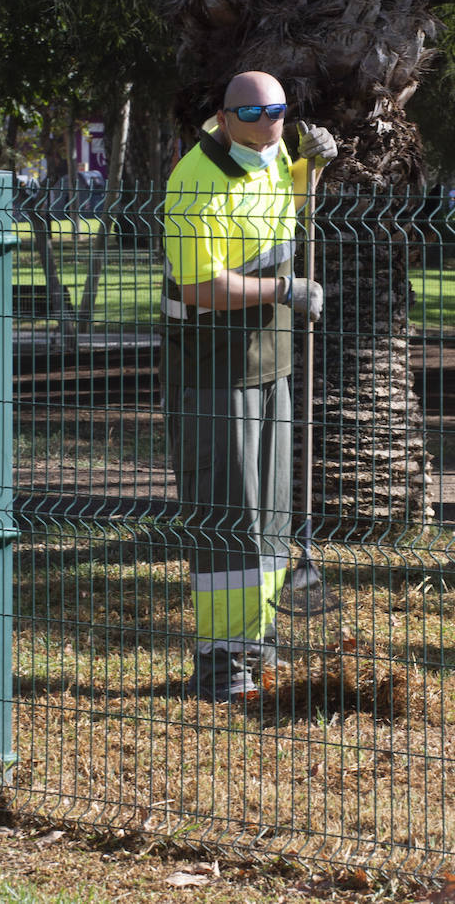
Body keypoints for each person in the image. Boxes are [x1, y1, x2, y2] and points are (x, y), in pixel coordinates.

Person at [161, 71, 338, 702]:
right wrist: (286, 290)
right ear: (225, 115)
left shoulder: (273, 154)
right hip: (214, 373)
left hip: (271, 363)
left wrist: (312, 172)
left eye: (279, 111)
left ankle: (257, 647)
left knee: (270, 518)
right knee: (228, 519)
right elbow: (200, 286)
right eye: (256, 114)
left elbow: (285, 217)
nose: (271, 125)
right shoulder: (195, 181)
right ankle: (222, 665)